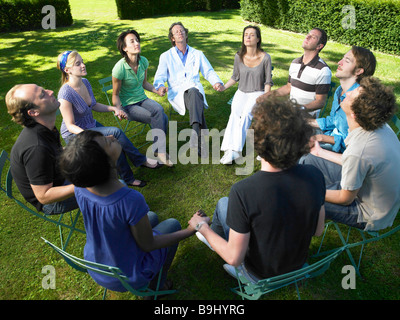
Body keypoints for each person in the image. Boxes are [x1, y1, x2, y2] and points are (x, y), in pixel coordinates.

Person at [189, 97, 325, 283]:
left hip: (258, 273)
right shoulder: (315, 175)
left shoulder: (243, 191)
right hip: (297, 265)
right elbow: (317, 231)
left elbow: (234, 258)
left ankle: (214, 239)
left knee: (222, 204)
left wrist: (200, 226)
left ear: (258, 142)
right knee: (226, 206)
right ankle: (216, 239)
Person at [58, 130, 197, 294]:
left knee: (151, 217)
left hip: (97, 266)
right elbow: (148, 245)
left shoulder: (80, 187)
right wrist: (191, 230)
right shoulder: (129, 200)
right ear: (106, 163)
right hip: (127, 276)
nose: (111, 137)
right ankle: (157, 285)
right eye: (107, 142)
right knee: (173, 225)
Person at [300, 77, 400, 231]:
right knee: (309, 158)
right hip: (367, 187)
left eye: (352, 94)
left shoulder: (361, 148)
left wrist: (311, 191)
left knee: (301, 197)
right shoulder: (376, 124)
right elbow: (356, 161)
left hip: (368, 212)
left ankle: (291, 244)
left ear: (354, 114)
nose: (348, 92)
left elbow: (345, 199)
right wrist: (319, 152)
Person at [57, 50, 160, 188]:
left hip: (90, 124)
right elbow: (70, 125)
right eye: (78, 64)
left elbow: (93, 105)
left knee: (115, 141)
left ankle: (128, 177)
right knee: (115, 133)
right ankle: (140, 161)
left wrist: (114, 109)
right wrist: (92, 136)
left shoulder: (85, 82)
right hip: (75, 134)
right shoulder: (65, 93)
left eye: (82, 61)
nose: (83, 65)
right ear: (67, 70)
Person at [153, 22, 224, 157]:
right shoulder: (166, 56)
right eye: (176, 32)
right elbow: (159, 77)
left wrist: (216, 83)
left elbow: (208, 71)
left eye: (181, 30)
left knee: (194, 92)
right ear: (172, 38)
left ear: (186, 34)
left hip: (194, 90)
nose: (179, 32)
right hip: (178, 93)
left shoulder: (197, 54)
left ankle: (195, 133)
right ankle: (198, 133)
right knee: (194, 94)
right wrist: (160, 86)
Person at [6, 84, 78, 215]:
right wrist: (84, 184)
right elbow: (44, 196)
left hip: (60, 176)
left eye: (45, 89)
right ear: (33, 112)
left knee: (99, 161)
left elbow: (54, 153)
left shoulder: (45, 129)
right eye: (42, 95)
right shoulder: (36, 148)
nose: (50, 91)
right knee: (113, 186)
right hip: (52, 202)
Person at [112, 30, 172, 167]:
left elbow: (144, 83)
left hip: (142, 99)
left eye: (137, 40)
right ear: (124, 48)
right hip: (128, 106)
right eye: (132, 41)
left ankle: (158, 151)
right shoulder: (119, 68)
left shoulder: (143, 61)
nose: (136, 43)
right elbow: (115, 94)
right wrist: (118, 109)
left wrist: (156, 91)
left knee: (159, 110)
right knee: (160, 118)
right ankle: (160, 151)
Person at [219, 25, 273, 165]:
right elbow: (235, 76)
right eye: (245, 35)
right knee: (234, 115)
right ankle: (228, 149)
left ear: (258, 39)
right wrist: (223, 87)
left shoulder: (265, 58)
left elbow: (268, 81)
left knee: (246, 116)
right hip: (241, 92)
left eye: (251, 35)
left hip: (257, 92)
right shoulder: (239, 56)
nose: (248, 37)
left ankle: (235, 151)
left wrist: (265, 98)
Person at [309, 46, 376, 153]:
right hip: (329, 137)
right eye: (342, 58)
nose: (339, 62)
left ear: (359, 71)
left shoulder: (360, 99)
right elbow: (334, 120)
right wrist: (306, 122)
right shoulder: (339, 90)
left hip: (344, 153)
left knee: (295, 150)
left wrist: (321, 138)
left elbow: (355, 141)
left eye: (347, 60)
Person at [257, 28, 332, 118]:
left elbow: (320, 102)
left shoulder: (323, 70)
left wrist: (300, 109)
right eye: (308, 34)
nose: (307, 37)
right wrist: (266, 96)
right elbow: (288, 87)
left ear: (319, 46)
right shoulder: (295, 63)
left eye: (313, 37)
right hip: (291, 115)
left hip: (307, 119)